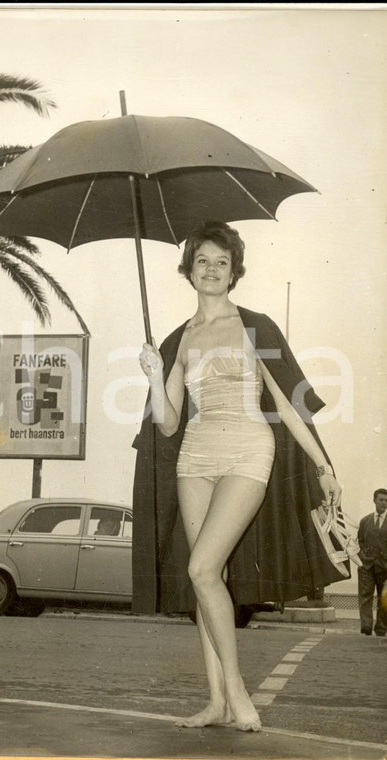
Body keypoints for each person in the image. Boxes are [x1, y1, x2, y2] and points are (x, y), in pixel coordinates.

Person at [136, 220, 345, 733]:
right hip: (195, 457)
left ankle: (237, 692)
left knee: (202, 569)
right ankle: (215, 702)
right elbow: (166, 423)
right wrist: (152, 375)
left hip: (249, 448)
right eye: (202, 260)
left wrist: (323, 465)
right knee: (208, 582)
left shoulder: (257, 326)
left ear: (234, 273)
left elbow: (289, 404)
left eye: (221, 262)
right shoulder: (178, 339)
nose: (211, 269)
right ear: (189, 270)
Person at [357, 488, 387, 636]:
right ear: (374, 500)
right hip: (366, 567)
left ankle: (381, 628)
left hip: (385, 567)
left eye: (386, 500)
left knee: (384, 598)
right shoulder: (364, 521)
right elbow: (359, 542)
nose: (384, 503)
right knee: (365, 597)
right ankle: (366, 626)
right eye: (381, 499)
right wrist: (362, 558)